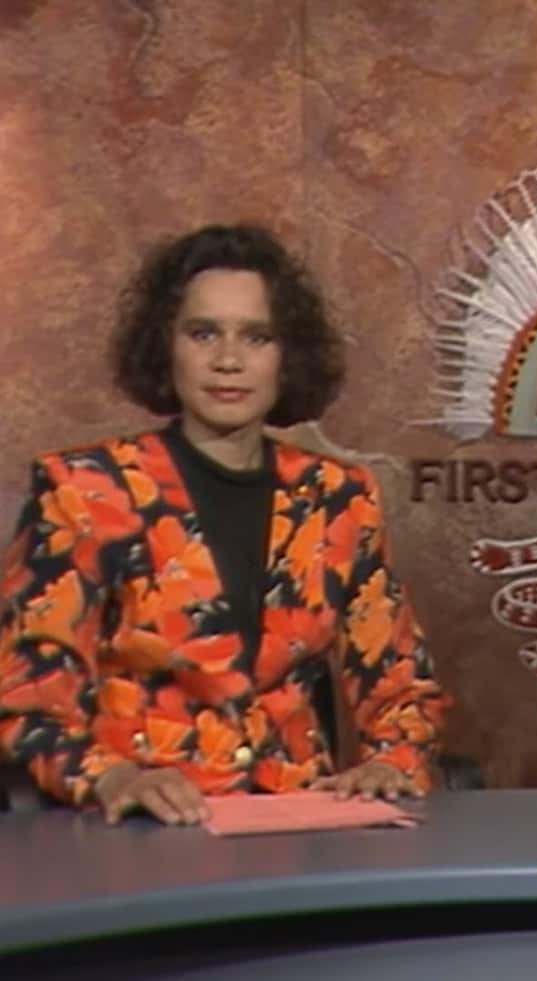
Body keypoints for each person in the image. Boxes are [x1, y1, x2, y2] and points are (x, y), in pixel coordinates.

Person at [0, 224, 449, 825]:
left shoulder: (339, 499)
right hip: (140, 827)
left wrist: (392, 760)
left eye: (256, 337)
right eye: (203, 333)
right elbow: (28, 696)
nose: (228, 361)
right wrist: (111, 778)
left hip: (298, 827)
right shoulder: (85, 492)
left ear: (288, 357)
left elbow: (400, 685)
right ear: (167, 347)